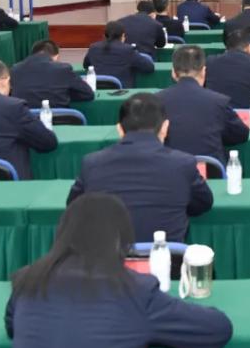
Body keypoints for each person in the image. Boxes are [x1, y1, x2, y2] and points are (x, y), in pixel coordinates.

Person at [6, 193, 232, 348]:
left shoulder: (28, 280)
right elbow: (217, 330)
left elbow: (12, 324)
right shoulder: (135, 291)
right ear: (121, 240)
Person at [67, 93, 213, 242]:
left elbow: (73, 207)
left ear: (119, 129)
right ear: (165, 127)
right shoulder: (183, 163)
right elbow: (203, 203)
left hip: (109, 255)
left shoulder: (92, 163)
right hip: (167, 255)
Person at [157, 46, 249, 161]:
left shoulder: (157, 100)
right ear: (204, 71)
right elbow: (241, 134)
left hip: (171, 167)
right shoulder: (219, 101)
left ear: (173, 73)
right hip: (212, 169)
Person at [11, 40, 95, 109]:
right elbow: (88, 94)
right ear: (56, 56)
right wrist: (66, 94)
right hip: (59, 120)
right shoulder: (63, 69)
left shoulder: (15, 70)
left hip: (24, 121)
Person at [83, 21, 156, 89]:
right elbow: (149, 67)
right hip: (122, 93)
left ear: (104, 35)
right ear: (123, 36)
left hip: (97, 90)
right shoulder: (127, 50)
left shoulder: (93, 47)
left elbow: (86, 65)